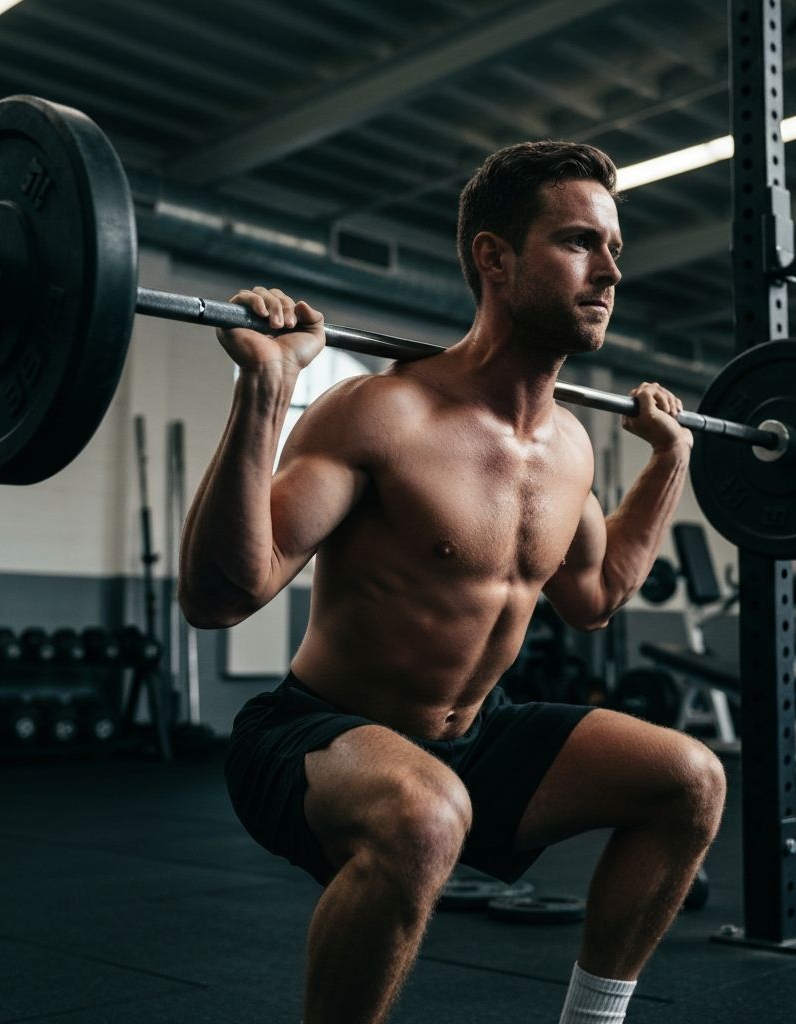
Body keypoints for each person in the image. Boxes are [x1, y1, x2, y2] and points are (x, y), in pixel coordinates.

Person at [179, 141, 726, 1024]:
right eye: (579, 242)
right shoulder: (382, 412)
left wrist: (671, 464)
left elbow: (593, 600)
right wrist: (267, 390)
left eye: (614, 248)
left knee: (691, 778)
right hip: (314, 733)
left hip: (475, 736)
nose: (610, 272)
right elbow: (218, 598)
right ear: (494, 259)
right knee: (429, 813)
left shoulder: (572, 447)